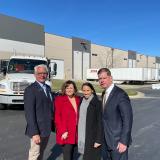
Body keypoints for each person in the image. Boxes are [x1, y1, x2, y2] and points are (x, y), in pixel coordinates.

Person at [97, 68, 133, 160]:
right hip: (106, 141)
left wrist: (123, 142)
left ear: (111, 78)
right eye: (99, 79)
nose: (101, 81)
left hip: (118, 143)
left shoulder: (120, 94)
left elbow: (127, 119)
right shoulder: (104, 93)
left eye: (104, 78)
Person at [24, 64, 53, 160]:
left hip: (46, 128)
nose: (42, 75)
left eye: (44, 73)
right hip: (37, 130)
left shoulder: (48, 88)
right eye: (39, 73)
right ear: (35, 74)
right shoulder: (30, 90)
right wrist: (35, 133)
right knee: (34, 155)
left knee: (41, 153)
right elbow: (29, 113)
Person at [54, 80, 81, 160]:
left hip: (76, 132)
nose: (69, 90)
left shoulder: (78, 99)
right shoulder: (59, 99)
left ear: (74, 89)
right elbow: (57, 117)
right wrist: (63, 131)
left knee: (74, 155)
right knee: (67, 156)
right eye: (67, 88)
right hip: (66, 132)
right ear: (64, 89)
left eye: (71, 88)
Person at [78, 82, 103, 160]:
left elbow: (100, 122)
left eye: (88, 90)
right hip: (82, 134)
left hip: (92, 137)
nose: (85, 92)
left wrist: (98, 140)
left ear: (92, 90)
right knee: (84, 155)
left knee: (92, 157)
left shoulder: (97, 103)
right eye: (84, 90)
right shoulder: (81, 100)